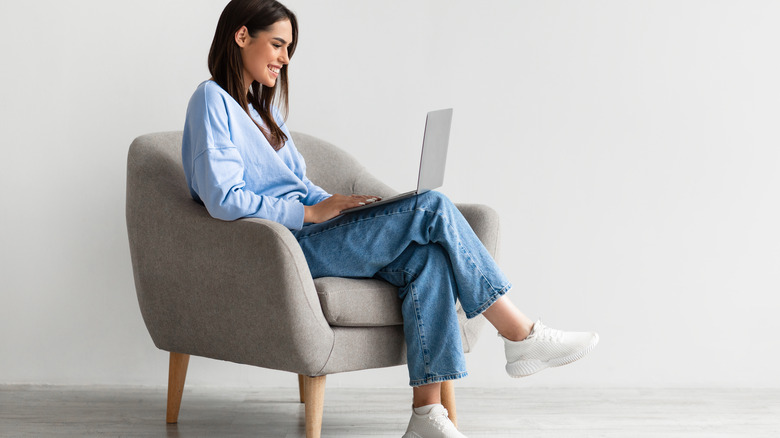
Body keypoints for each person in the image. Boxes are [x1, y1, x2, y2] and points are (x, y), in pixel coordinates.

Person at [181, 1, 599, 437]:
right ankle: (520, 333)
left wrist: (338, 204)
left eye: (289, 49)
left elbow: (296, 184)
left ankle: (426, 415)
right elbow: (223, 198)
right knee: (432, 207)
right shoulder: (211, 99)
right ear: (241, 36)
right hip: (286, 247)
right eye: (278, 45)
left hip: (316, 231)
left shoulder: (262, 112)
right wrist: (309, 212)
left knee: (427, 259)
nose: (285, 59)